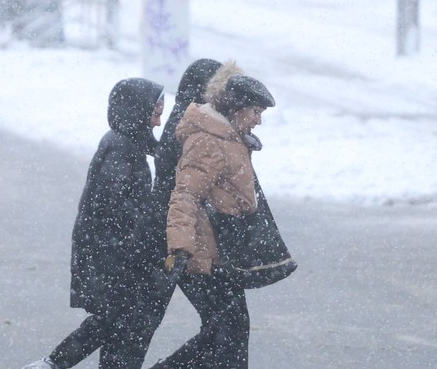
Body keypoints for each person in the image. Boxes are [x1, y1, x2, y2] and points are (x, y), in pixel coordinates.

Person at [23, 78, 167, 369]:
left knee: (117, 320)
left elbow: (158, 152)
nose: (160, 118)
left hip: (113, 250)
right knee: (112, 318)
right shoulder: (121, 148)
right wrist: (150, 224)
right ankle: (53, 363)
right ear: (136, 110)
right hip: (109, 253)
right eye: (155, 110)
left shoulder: (128, 139)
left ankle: (55, 364)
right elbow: (114, 204)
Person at [153, 74, 276, 369]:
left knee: (224, 332)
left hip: (222, 255)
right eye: (256, 112)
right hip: (205, 257)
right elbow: (185, 195)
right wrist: (181, 248)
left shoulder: (229, 137)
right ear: (237, 108)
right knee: (229, 330)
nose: (259, 121)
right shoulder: (208, 141)